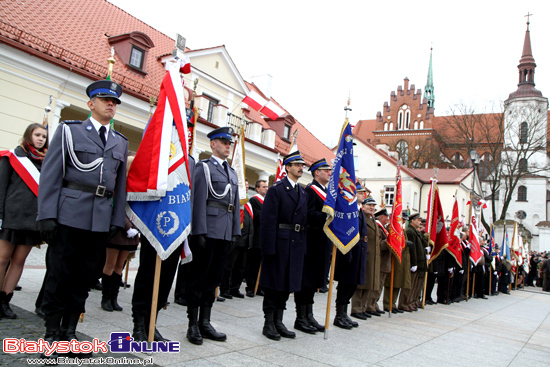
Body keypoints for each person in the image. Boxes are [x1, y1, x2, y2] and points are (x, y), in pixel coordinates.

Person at [37, 80, 128, 359]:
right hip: (68, 215)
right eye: (104, 100)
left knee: (84, 279)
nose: (111, 104)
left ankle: (70, 333)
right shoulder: (69, 130)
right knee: (58, 275)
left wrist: (117, 219)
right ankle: (52, 335)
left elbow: (120, 186)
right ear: (91, 104)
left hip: (99, 221)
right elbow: (51, 175)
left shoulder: (120, 142)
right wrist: (47, 215)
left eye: (114, 101)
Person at [131, 110, 196, 342]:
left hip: (177, 227)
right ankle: (139, 323)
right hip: (154, 222)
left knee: (167, 277)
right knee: (148, 273)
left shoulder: (188, 161)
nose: (184, 130)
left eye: (186, 126)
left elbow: (191, 196)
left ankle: (152, 322)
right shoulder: (155, 154)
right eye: (179, 125)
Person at [186, 126, 240, 345]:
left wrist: (235, 230)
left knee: (214, 279)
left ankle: (205, 322)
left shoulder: (232, 172)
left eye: (230, 143)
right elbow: (197, 200)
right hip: (207, 230)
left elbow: (234, 205)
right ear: (213, 144)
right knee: (198, 277)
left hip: (225, 232)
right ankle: (192, 324)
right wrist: (198, 230)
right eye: (224, 142)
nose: (228, 146)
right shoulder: (204, 168)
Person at [0, 123, 48, 319]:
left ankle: (5, 302)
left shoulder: (46, 162)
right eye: (37, 135)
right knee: (2, 259)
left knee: (19, 261)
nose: (41, 139)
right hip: (11, 217)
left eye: (44, 137)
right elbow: (1, 188)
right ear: (28, 135)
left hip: (32, 220)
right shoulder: (11, 157)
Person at [259, 151, 308, 341]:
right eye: (297, 165)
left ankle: (279, 321)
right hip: (279, 243)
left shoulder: (301, 192)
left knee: (287, 285)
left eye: (302, 165)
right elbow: (268, 221)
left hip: (295, 244)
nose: (301, 168)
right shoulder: (277, 190)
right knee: (274, 285)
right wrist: (268, 249)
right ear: (287, 167)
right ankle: (268, 322)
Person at [294, 158, 332, 334]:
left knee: (315, 281)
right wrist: (327, 216)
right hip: (311, 242)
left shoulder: (325, 192)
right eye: (327, 170)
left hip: (322, 242)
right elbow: (308, 215)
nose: (330, 173)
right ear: (317, 173)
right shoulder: (310, 191)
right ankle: (300, 317)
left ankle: (309, 314)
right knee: (306, 281)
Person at [101, 155, 139, 313]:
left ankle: (114, 298)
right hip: (118, 229)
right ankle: (106, 298)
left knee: (119, 266)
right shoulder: (120, 183)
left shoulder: (137, 184)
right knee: (110, 264)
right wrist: (127, 225)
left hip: (131, 233)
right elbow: (116, 206)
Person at [335, 183, 368, 328]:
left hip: (359, 252)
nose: (363, 195)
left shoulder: (360, 211)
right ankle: (339, 315)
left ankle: (344, 313)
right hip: (350, 252)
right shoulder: (350, 210)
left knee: (353, 284)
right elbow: (345, 232)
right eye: (360, 192)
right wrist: (346, 252)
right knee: (345, 284)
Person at [220, 179, 253, 299]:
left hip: (245, 240)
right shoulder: (236, 199)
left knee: (241, 267)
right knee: (229, 266)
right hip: (235, 237)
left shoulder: (248, 203)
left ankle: (235, 288)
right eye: (245, 185)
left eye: (248, 185)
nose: (247, 187)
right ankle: (224, 289)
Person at [351, 196, 381, 318]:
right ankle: (356, 309)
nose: (372, 208)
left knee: (369, 284)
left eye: (373, 206)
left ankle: (363, 308)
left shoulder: (373, 220)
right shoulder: (361, 217)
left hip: (373, 258)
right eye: (369, 205)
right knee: (360, 285)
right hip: (364, 255)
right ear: (364, 206)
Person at [245, 179, 268, 297]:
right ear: (257, 189)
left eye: (266, 186)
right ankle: (250, 286)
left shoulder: (267, 201)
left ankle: (259, 287)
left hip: (265, 238)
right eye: (263, 186)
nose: (266, 188)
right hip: (257, 237)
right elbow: (257, 216)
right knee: (253, 264)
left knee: (262, 265)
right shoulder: (254, 200)